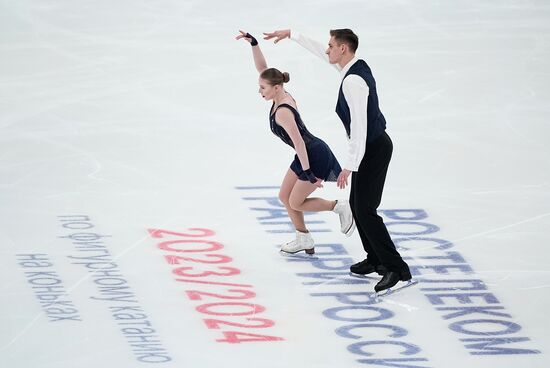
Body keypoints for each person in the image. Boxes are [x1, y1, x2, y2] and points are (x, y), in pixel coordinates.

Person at [263, 28, 412, 292]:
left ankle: (396, 268)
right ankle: (375, 258)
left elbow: (360, 126)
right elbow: (322, 53)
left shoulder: (353, 81)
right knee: (357, 205)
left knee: (366, 210)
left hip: (373, 148)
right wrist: (293, 35)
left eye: (331, 45)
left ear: (343, 48)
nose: (327, 49)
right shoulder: (352, 67)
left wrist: (350, 165)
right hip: (371, 146)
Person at [235, 30, 355, 255]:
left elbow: (299, 142)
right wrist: (254, 44)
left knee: (297, 201)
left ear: (276, 88)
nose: (259, 91)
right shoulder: (279, 91)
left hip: (313, 155)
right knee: (284, 197)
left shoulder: (282, 112)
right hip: (306, 153)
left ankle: (339, 206)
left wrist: (309, 173)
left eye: (263, 88)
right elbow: (263, 70)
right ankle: (303, 238)